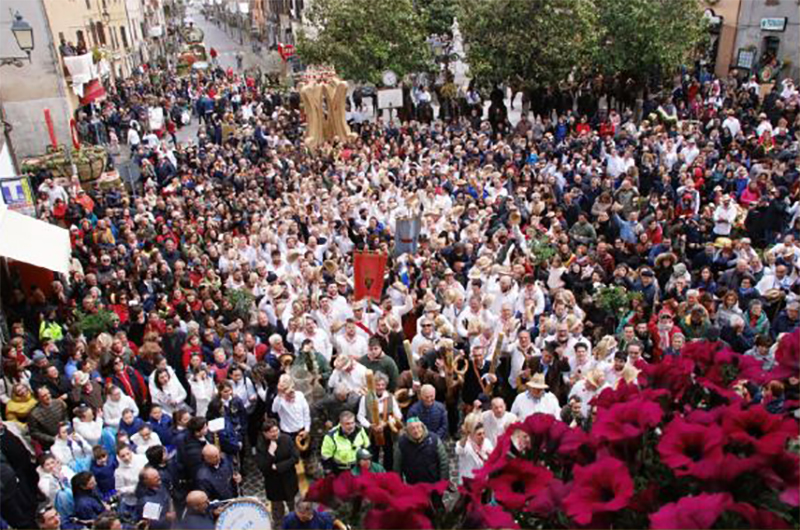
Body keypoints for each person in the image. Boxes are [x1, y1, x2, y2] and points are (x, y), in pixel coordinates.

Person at [256, 418, 300, 524]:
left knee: (293, 506)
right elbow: (263, 467)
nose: (275, 434)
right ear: (265, 434)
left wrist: (278, 467)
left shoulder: (286, 439)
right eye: (271, 432)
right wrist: (270, 453)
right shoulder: (261, 446)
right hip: (274, 484)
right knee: (277, 510)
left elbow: (295, 458)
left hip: (289, 480)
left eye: (276, 430)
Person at [394, 417, 449, 484]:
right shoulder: (401, 444)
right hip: (413, 485)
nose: (416, 431)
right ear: (407, 431)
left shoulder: (434, 439)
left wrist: (443, 482)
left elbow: (444, 462)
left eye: (418, 427)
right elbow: (397, 467)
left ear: (422, 427)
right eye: (412, 429)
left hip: (433, 483)